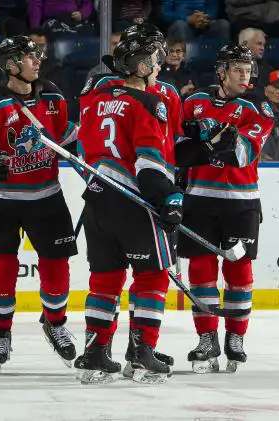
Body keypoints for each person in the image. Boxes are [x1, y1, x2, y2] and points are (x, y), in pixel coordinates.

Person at [0, 36, 79, 373]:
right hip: (2, 199)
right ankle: (0, 334)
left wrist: (94, 163)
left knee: (57, 263)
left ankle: (55, 323)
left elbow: (69, 135)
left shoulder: (53, 95)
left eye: (37, 55)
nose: (37, 61)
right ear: (11, 65)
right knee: (2, 266)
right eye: (29, 57)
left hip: (46, 194)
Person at [74, 29, 182, 385]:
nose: (159, 65)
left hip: (97, 200)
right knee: (151, 277)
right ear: (141, 64)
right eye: (155, 59)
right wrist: (168, 199)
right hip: (134, 204)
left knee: (104, 279)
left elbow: (82, 154)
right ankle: (141, 353)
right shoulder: (150, 103)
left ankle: (94, 353)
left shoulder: (93, 98)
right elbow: (150, 165)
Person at [176, 44, 275, 373]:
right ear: (221, 71)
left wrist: (204, 140)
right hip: (200, 199)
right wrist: (205, 142)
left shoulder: (258, 106)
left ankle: (235, 338)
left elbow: (240, 152)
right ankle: (207, 339)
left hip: (241, 202)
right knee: (201, 271)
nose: (245, 75)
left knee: (238, 269)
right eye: (237, 69)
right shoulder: (193, 101)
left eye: (248, 70)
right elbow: (176, 149)